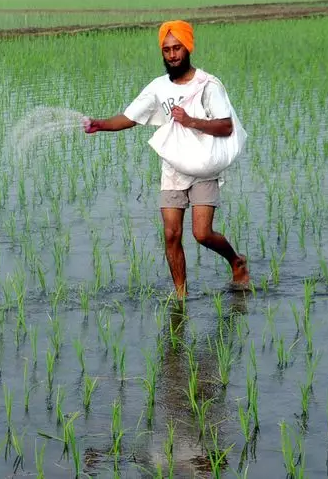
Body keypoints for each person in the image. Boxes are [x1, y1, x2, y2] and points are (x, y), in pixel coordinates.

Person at [82, 20, 250, 299]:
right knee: (171, 234)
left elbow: (225, 126)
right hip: (173, 168)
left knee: (201, 233)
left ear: (188, 48)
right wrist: (100, 124)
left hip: (204, 166)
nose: (172, 55)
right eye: (167, 50)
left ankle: (236, 261)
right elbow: (130, 116)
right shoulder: (159, 87)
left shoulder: (209, 85)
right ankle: (181, 296)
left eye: (177, 48)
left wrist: (191, 120)